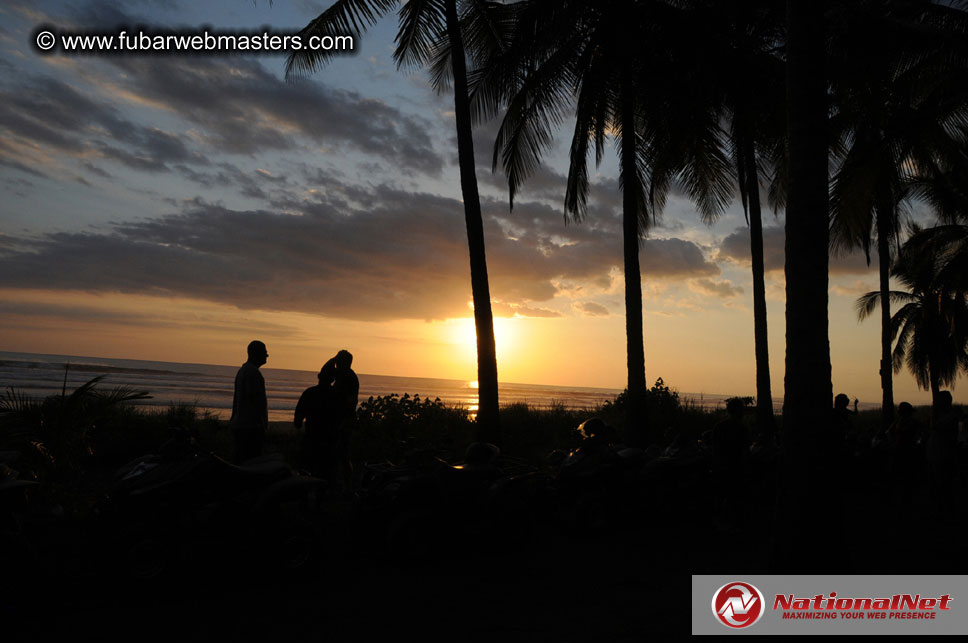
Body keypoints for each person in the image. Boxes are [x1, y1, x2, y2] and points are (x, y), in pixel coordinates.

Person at [294, 358, 338, 478]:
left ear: (319, 377)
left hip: (311, 437)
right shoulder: (335, 396)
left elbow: (298, 419)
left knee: (307, 472)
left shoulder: (309, 393)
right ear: (333, 379)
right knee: (326, 474)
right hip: (329, 440)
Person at [230, 340, 268, 464]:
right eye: (264, 352)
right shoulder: (252, 373)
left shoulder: (244, 370)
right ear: (256, 354)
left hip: (242, 425)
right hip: (249, 428)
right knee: (250, 463)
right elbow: (255, 401)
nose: (267, 355)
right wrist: (261, 425)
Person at [331, 349, 359, 491]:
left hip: (345, 421)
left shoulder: (347, 376)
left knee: (341, 454)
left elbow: (350, 402)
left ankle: (345, 485)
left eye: (337, 361)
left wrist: (344, 422)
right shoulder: (345, 375)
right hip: (344, 420)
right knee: (341, 454)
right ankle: (343, 485)